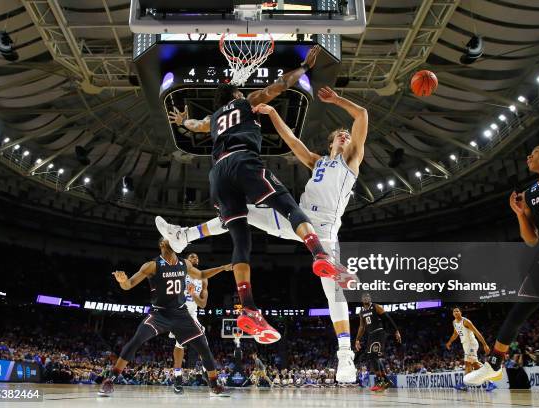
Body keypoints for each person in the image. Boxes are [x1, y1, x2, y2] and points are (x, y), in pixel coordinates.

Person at [156, 86, 368, 381]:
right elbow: (292, 140)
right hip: (298, 221)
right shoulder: (317, 162)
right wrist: (273, 113)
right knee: (240, 211)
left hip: (325, 231)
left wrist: (337, 100)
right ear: (331, 142)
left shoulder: (352, 160)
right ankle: (184, 236)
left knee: (334, 294)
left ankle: (345, 357)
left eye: (347, 134)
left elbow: (362, 114)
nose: (345, 136)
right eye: (340, 134)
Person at [464, 144, 539, 386]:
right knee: (519, 309)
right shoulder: (530, 194)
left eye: (535, 152)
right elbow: (531, 240)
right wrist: (520, 214)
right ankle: (495, 365)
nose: (529, 157)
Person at [97, 238, 231, 397]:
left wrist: (223, 267)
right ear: (162, 244)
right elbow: (128, 285)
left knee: (204, 347)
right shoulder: (152, 265)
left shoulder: (184, 264)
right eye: (170, 237)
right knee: (135, 341)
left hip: (181, 314)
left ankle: (214, 385)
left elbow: (201, 274)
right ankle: (110, 380)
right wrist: (122, 281)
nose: (174, 238)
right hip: (159, 313)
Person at [168, 252, 208, 394]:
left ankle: (205, 370)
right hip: (179, 313)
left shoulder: (203, 279)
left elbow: (203, 304)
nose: (194, 258)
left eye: (197, 257)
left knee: (204, 343)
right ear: (186, 260)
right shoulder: (179, 273)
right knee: (180, 343)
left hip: (193, 314)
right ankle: (178, 378)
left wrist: (193, 294)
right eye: (191, 256)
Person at [355, 293, 401, 391]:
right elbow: (362, 327)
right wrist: (357, 339)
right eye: (364, 297)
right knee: (373, 357)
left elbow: (388, 318)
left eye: (368, 297)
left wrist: (396, 331)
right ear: (362, 300)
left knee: (373, 356)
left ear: (370, 298)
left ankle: (380, 381)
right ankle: (385, 381)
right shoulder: (361, 312)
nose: (366, 298)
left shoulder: (376, 307)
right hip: (371, 335)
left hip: (379, 333)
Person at [445, 307, 493, 391]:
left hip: (471, 344)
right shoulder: (454, 322)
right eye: (454, 311)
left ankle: (467, 384)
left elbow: (477, 332)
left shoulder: (466, 321)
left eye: (457, 311)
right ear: (453, 314)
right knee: (473, 364)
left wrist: (485, 344)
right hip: (465, 345)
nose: (456, 312)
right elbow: (455, 334)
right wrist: (449, 342)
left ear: (460, 313)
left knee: (469, 363)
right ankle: (488, 382)